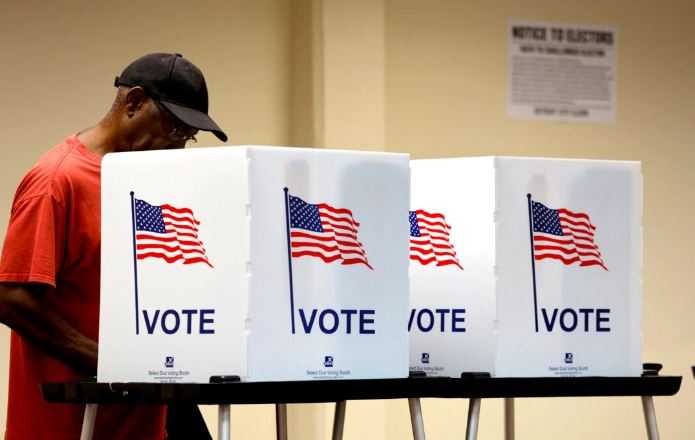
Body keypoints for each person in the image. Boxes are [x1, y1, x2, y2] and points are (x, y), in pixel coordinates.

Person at [0, 52, 227, 439]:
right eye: (173, 130)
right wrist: (108, 361)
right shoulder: (57, 181)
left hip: (142, 418)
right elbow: (10, 296)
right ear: (134, 102)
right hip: (70, 424)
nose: (177, 148)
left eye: (187, 138)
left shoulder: (149, 184)